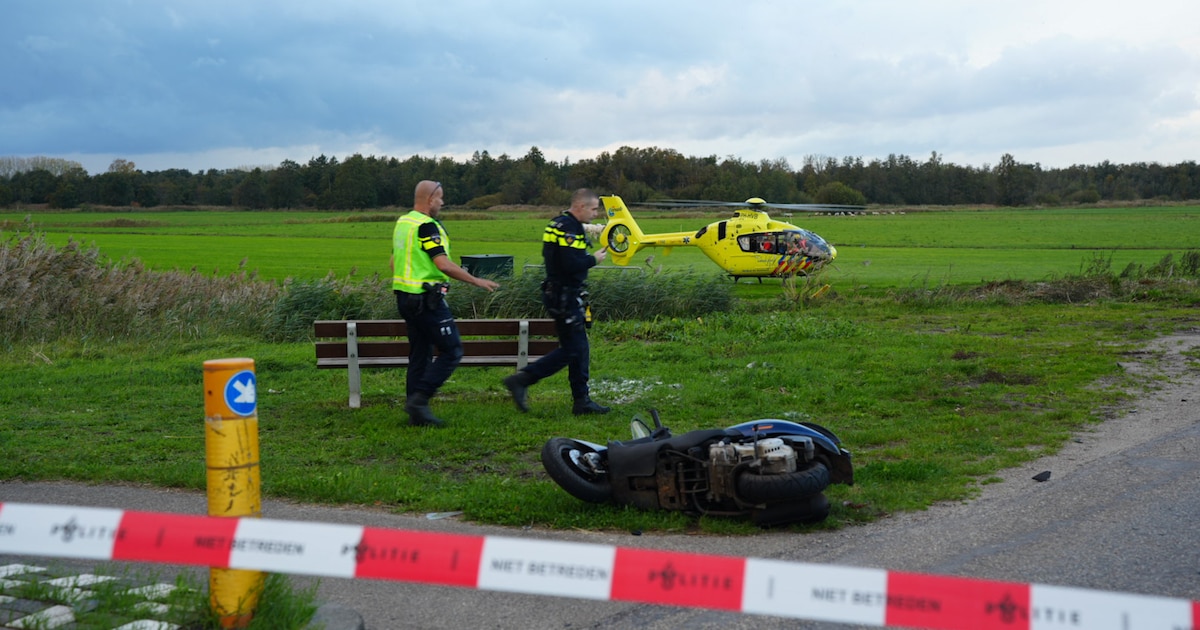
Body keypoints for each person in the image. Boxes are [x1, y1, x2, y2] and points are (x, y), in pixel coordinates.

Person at [392, 180, 499, 427]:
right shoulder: (427, 226)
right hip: (426, 300)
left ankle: (415, 414)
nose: (443, 202)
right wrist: (476, 280)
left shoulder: (404, 223)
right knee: (452, 350)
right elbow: (442, 263)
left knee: (420, 354)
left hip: (404, 297)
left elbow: (394, 261)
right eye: (440, 198)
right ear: (430, 199)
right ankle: (419, 401)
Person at [503, 188, 610, 415]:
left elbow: (555, 258)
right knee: (574, 349)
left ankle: (581, 401)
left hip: (559, 293)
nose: (595, 215)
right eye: (592, 209)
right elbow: (570, 264)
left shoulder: (556, 223)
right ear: (580, 206)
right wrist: (594, 259)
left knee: (580, 348)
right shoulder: (570, 228)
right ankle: (523, 379)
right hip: (565, 296)